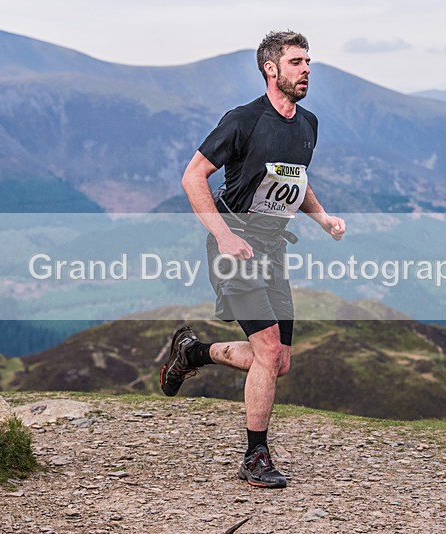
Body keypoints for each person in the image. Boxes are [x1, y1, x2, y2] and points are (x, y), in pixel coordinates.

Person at [160, 30, 346, 489]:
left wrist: (322, 217)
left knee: (279, 361)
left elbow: (295, 180)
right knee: (267, 350)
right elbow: (193, 177)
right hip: (235, 246)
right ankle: (255, 456)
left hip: (273, 250)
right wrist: (223, 235)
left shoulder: (308, 124)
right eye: (297, 62)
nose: (307, 69)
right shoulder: (243, 120)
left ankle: (192, 352)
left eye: (309, 61)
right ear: (271, 69)